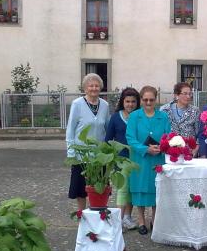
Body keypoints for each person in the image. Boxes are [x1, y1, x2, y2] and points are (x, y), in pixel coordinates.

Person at [126, 86, 171, 235]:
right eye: (145, 99)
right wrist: (145, 149)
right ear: (141, 100)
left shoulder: (163, 116)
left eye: (151, 99)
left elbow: (168, 135)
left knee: (155, 188)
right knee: (140, 188)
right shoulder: (134, 116)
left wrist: (162, 146)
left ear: (155, 99)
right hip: (140, 158)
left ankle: (155, 219)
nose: (148, 102)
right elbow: (130, 138)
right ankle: (141, 220)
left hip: (158, 157)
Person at [66, 73, 109, 212]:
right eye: (91, 86)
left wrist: (108, 149)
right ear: (85, 88)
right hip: (81, 154)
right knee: (81, 188)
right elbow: (70, 129)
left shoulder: (105, 105)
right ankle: (81, 215)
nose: (94, 88)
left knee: (99, 187)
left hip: (99, 154)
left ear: (100, 88)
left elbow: (107, 127)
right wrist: (71, 152)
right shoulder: (77, 104)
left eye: (97, 85)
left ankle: (97, 214)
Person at [105, 87, 141, 231]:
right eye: (127, 101)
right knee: (122, 189)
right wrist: (109, 159)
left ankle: (127, 217)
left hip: (137, 159)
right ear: (122, 102)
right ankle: (118, 220)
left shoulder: (140, 117)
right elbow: (108, 139)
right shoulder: (115, 117)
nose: (130, 104)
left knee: (132, 189)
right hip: (121, 160)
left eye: (133, 101)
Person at [160, 82, 200, 156]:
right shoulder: (164, 110)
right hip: (169, 151)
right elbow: (160, 131)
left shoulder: (195, 111)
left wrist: (196, 147)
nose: (188, 96)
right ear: (176, 95)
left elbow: (199, 132)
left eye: (190, 94)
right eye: (185, 93)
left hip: (188, 152)